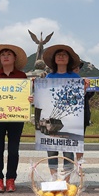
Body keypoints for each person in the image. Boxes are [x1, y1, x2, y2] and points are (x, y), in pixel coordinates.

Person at [36, 44, 85, 179]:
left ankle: (67, 182)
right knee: (51, 150)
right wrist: (33, 98)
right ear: (54, 59)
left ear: (69, 59)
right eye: (59, 54)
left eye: (64, 55)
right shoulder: (48, 78)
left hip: (70, 120)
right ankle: (54, 179)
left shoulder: (76, 78)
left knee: (68, 152)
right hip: (50, 116)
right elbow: (42, 99)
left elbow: (79, 99)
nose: (61, 57)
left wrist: (84, 90)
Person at [0, 44, 28, 192]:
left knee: (14, 149)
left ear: (15, 58)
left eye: (9, 53)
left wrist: (29, 99)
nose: (5, 56)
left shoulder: (22, 76)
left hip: (16, 117)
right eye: (3, 54)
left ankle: (11, 179)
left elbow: (25, 97)